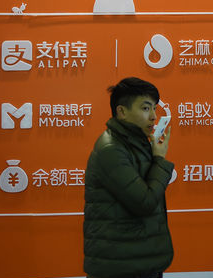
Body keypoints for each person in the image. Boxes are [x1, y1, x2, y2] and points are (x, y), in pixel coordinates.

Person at [84, 77, 174, 278]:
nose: (153, 116)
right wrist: (159, 160)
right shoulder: (111, 149)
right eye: (145, 108)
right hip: (119, 267)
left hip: (137, 261)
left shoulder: (136, 144)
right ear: (122, 111)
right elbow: (145, 202)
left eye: (154, 109)